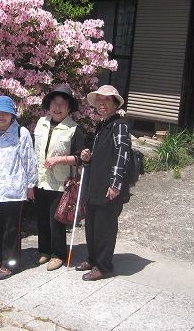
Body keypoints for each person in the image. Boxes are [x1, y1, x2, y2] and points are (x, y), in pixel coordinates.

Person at [78, 85, 132, 281]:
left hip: (109, 188)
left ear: (115, 104)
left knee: (105, 228)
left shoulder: (120, 126)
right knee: (92, 225)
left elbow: (122, 155)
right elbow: (103, 156)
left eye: (107, 99)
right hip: (96, 185)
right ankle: (93, 260)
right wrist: (88, 156)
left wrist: (116, 184)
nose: (102, 102)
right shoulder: (102, 126)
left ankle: (104, 267)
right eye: (99, 99)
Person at [0, 96, 37, 280]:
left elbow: (29, 161)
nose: (1, 116)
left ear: (12, 115)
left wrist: (31, 185)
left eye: (5, 113)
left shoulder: (22, 133)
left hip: (14, 191)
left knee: (11, 228)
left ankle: (10, 263)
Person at [34, 86, 85, 271]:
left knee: (56, 219)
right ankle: (44, 251)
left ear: (69, 108)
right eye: (55, 103)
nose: (58, 107)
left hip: (60, 183)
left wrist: (59, 159)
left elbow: (80, 157)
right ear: (49, 105)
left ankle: (58, 254)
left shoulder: (74, 129)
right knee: (41, 217)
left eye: (62, 104)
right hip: (40, 180)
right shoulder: (41, 123)